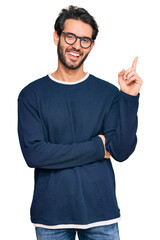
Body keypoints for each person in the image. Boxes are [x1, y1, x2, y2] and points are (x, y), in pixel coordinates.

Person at [17, 5, 143, 240]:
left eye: (85, 40)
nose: (77, 45)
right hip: (51, 217)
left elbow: (121, 151)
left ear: (92, 46)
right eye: (70, 36)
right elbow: (35, 155)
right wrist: (97, 146)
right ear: (57, 36)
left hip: (101, 215)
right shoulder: (31, 95)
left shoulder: (108, 94)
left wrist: (129, 98)